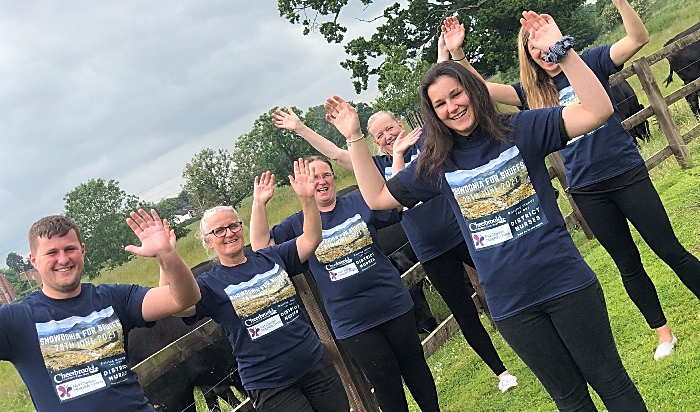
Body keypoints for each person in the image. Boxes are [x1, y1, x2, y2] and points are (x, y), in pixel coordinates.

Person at [323, 11, 648, 411]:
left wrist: (562, 51)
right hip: (511, 305)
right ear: (432, 114)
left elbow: (597, 111)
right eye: (439, 103)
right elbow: (376, 199)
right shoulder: (436, 164)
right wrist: (355, 137)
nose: (451, 107)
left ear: (472, 91)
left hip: (565, 283)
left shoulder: (523, 129)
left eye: (456, 94)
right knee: (570, 401)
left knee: (612, 385)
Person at [441, 0, 700, 360]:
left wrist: (619, 1)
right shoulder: (528, 93)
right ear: (529, 55)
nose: (544, 54)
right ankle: (663, 333)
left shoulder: (589, 62)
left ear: (556, 41)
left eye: (547, 44)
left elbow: (638, 39)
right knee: (627, 264)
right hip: (587, 191)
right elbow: (478, 90)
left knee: (668, 248)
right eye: (535, 49)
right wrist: (458, 56)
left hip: (626, 175)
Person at [271, 107, 518, 392]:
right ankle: (501, 372)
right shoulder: (375, 167)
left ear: (400, 125)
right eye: (379, 135)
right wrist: (301, 128)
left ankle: (532, 333)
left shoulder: (428, 145)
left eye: (390, 128)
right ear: (375, 142)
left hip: (462, 232)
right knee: (463, 311)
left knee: (503, 280)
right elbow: (339, 155)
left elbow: (441, 109)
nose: (387, 136)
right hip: (430, 249)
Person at [250, 157, 440, 412]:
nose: (321, 181)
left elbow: (390, 204)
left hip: (392, 302)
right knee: (384, 380)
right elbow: (262, 249)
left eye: (326, 174)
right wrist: (260, 204)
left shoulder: (358, 201)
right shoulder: (296, 225)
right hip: (352, 321)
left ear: (334, 178)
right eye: (313, 177)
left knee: (414, 365)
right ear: (302, 185)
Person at [163, 159, 350, 412]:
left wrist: (307, 200)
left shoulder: (270, 256)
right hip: (271, 385)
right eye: (219, 231)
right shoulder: (208, 284)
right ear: (207, 241)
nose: (229, 233)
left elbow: (312, 239)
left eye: (233, 226)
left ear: (241, 228)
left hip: (315, 365)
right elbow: (173, 304)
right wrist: (166, 258)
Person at [0, 209, 201, 412]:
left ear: (82, 250)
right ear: (34, 260)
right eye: (52, 252)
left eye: (70, 249)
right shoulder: (15, 321)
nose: (63, 259)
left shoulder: (114, 298)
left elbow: (183, 299)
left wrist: (166, 254)